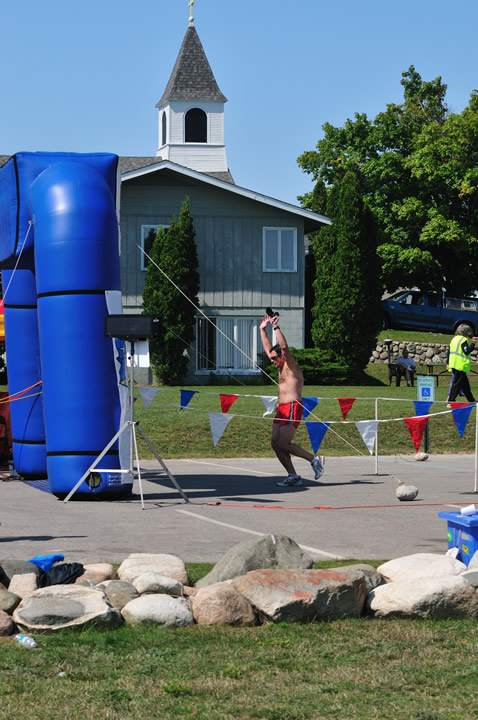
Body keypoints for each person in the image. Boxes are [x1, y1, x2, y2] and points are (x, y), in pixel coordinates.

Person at [260, 313, 324, 487]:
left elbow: (285, 346)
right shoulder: (279, 367)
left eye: (274, 358)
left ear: (282, 356)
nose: (272, 361)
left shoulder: (290, 366)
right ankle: (292, 475)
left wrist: (275, 327)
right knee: (275, 444)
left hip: (293, 407)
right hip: (281, 409)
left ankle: (314, 459)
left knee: (283, 443)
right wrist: (262, 329)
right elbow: (268, 348)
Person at [447, 324, 476, 403]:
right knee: (456, 384)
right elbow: (466, 351)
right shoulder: (463, 340)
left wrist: (447, 363)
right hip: (460, 365)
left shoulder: (454, 339)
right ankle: (451, 400)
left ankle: (471, 400)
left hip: (453, 363)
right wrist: (473, 344)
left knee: (465, 385)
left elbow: (448, 352)